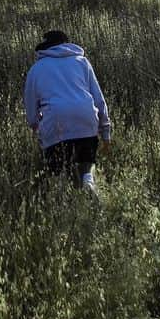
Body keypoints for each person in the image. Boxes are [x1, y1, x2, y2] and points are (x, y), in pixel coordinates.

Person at [24, 29, 112, 195]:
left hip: (55, 123)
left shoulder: (36, 70)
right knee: (86, 162)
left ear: (45, 47)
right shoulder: (82, 61)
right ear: (66, 44)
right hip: (85, 119)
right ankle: (88, 181)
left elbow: (30, 106)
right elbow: (99, 99)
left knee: (58, 171)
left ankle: (66, 199)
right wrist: (106, 132)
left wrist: (36, 126)